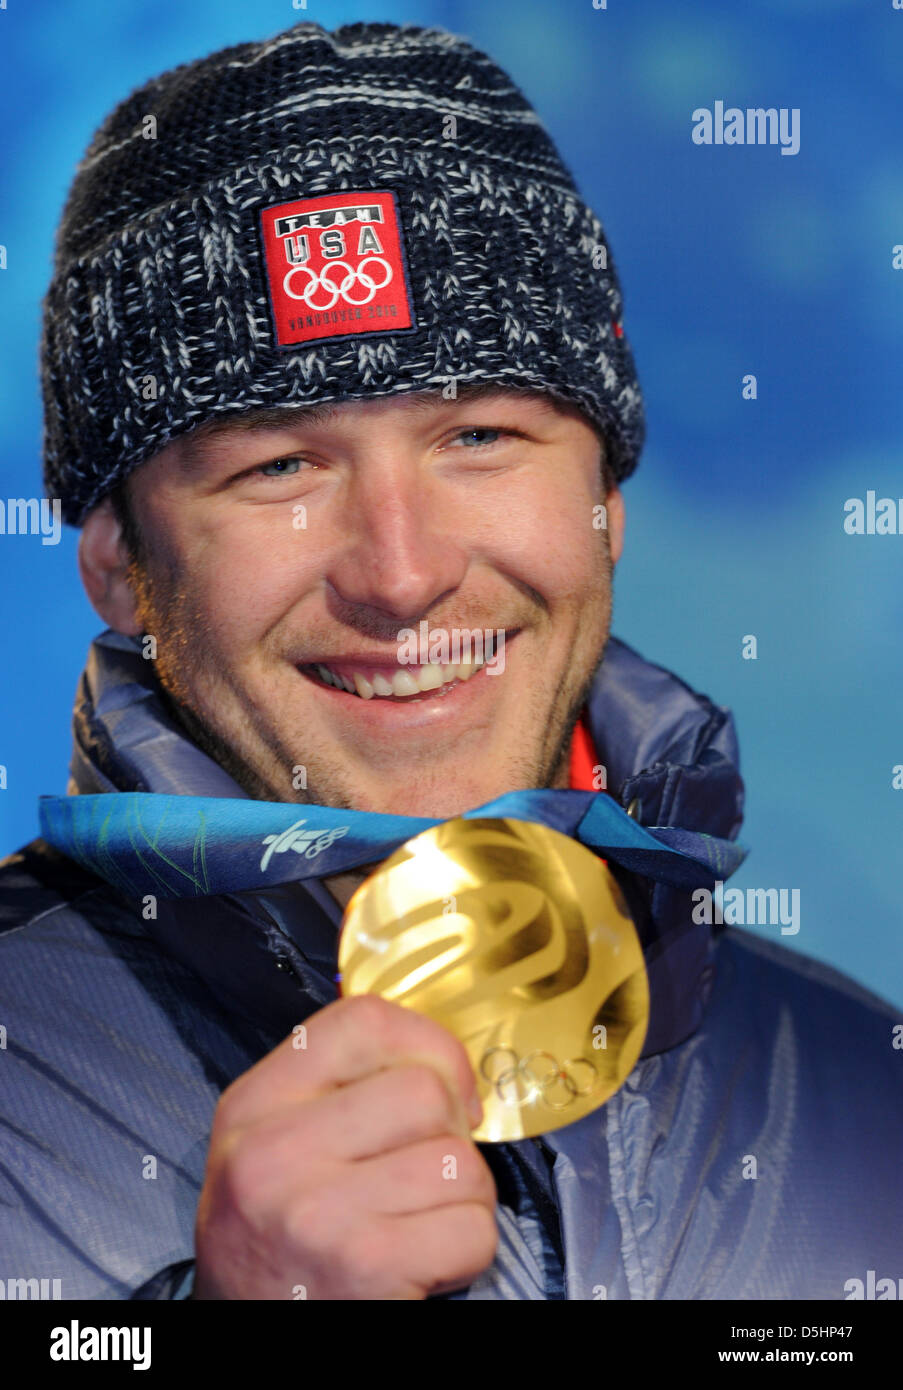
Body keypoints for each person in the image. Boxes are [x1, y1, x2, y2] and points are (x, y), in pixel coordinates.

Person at [1, 18, 899, 1302]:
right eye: (281, 466)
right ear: (119, 568)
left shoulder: (871, 1090)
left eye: (480, 435)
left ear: (609, 499)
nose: (404, 570)